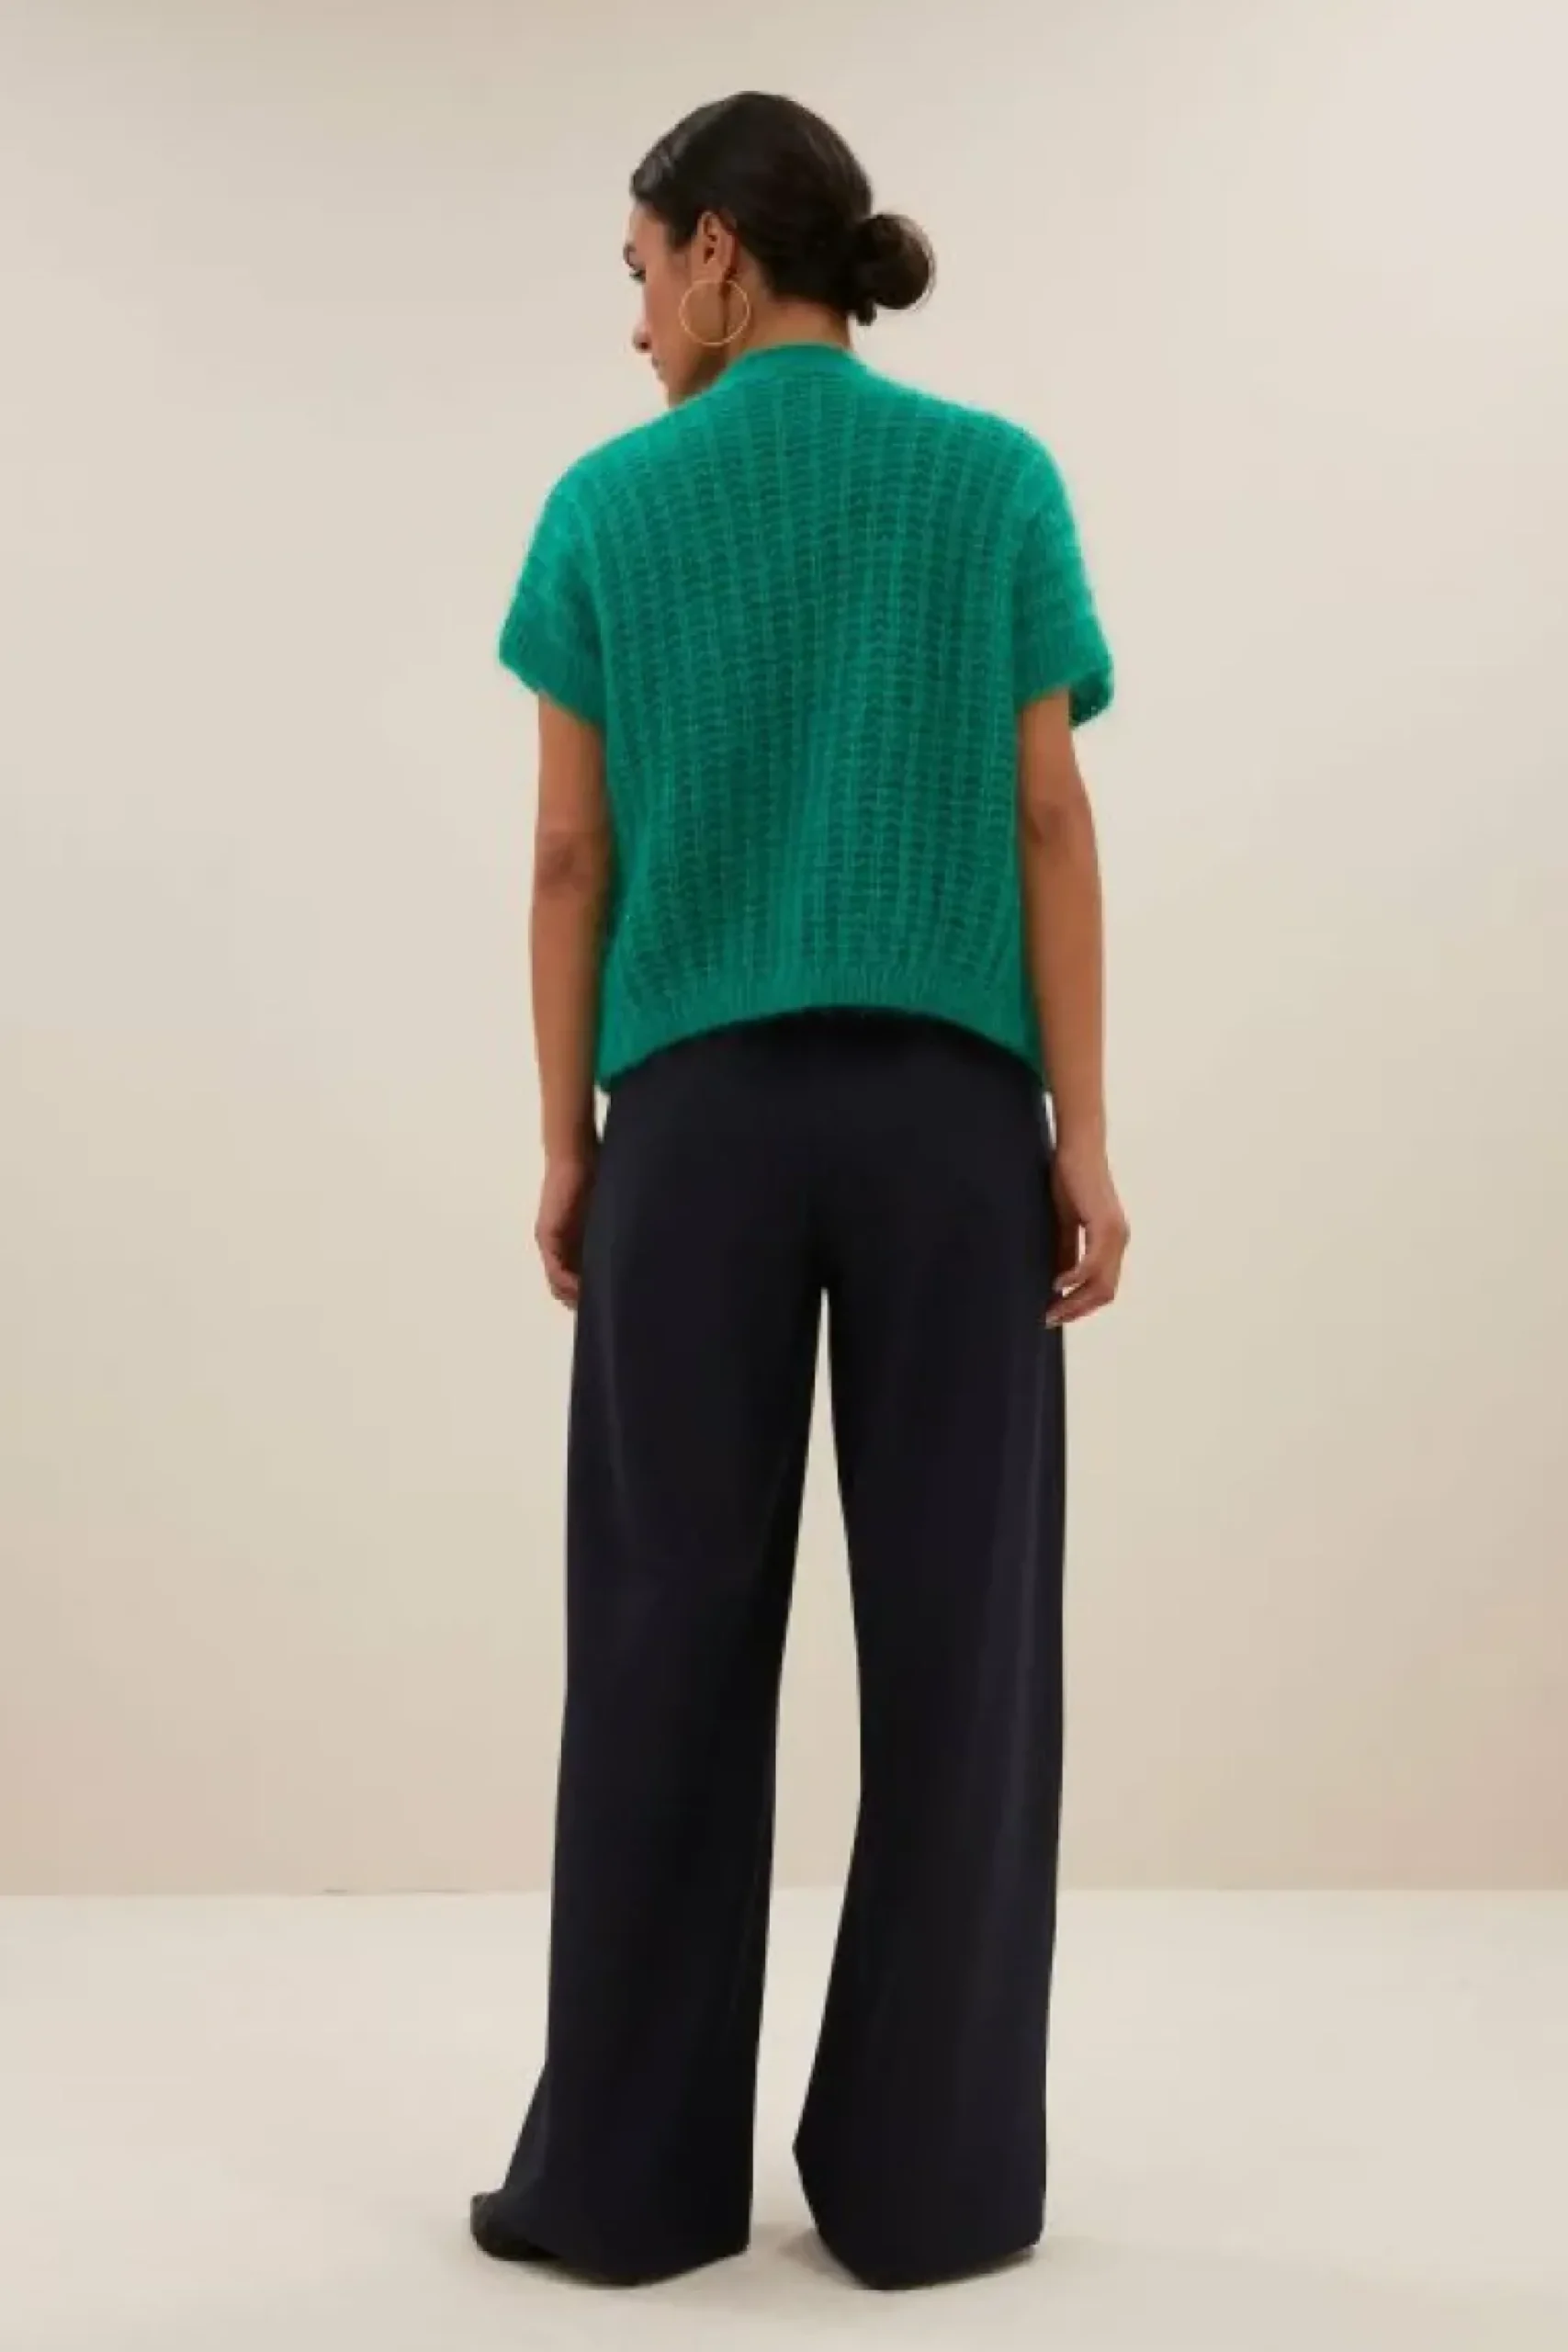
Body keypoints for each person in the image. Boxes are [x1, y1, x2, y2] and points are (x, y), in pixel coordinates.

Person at [469, 90, 1129, 2292]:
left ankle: (627, 2185)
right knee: (966, 1643)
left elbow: (570, 853)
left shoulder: (609, 506)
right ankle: (934, 2187)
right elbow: (1049, 819)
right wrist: (1080, 1130)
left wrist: (568, 1134)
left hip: (699, 1129)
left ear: (722, 257)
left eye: (638, 269)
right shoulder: (992, 480)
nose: (632, 321)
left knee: (663, 1625)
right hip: (949, 1124)